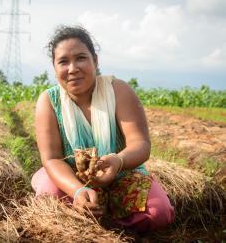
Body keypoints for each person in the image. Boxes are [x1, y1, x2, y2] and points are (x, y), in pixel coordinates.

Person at [31, 25, 174, 234]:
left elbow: (140, 144)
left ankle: (105, 225)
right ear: (54, 68)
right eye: (63, 61)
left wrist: (118, 162)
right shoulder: (48, 101)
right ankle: (92, 214)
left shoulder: (118, 90)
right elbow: (52, 159)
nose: (72, 68)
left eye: (80, 58)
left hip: (121, 174)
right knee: (49, 195)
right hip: (71, 177)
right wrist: (78, 190)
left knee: (158, 213)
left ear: (95, 61)